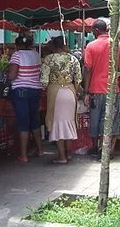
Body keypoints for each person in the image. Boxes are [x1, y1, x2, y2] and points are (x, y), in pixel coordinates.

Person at [83, 20, 120, 159]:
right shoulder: (117, 45)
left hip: (96, 88)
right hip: (113, 88)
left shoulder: (91, 46)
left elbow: (87, 69)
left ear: (96, 30)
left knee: (95, 119)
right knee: (110, 119)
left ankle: (95, 147)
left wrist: (86, 91)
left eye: (91, 30)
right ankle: (107, 150)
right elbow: (118, 68)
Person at [40, 36, 82, 164]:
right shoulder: (73, 58)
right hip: (70, 91)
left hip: (55, 92)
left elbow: (44, 81)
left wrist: (45, 88)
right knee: (68, 122)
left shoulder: (48, 59)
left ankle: (62, 156)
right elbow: (79, 79)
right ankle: (68, 154)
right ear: (65, 45)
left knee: (57, 124)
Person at [8, 34, 43, 162]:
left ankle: (23, 155)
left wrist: (7, 74)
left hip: (21, 91)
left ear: (17, 45)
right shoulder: (36, 54)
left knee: (23, 122)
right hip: (35, 90)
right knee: (34, 120)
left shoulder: (17, 55)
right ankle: (40, 150)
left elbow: (12, 76)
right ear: (30, 44)